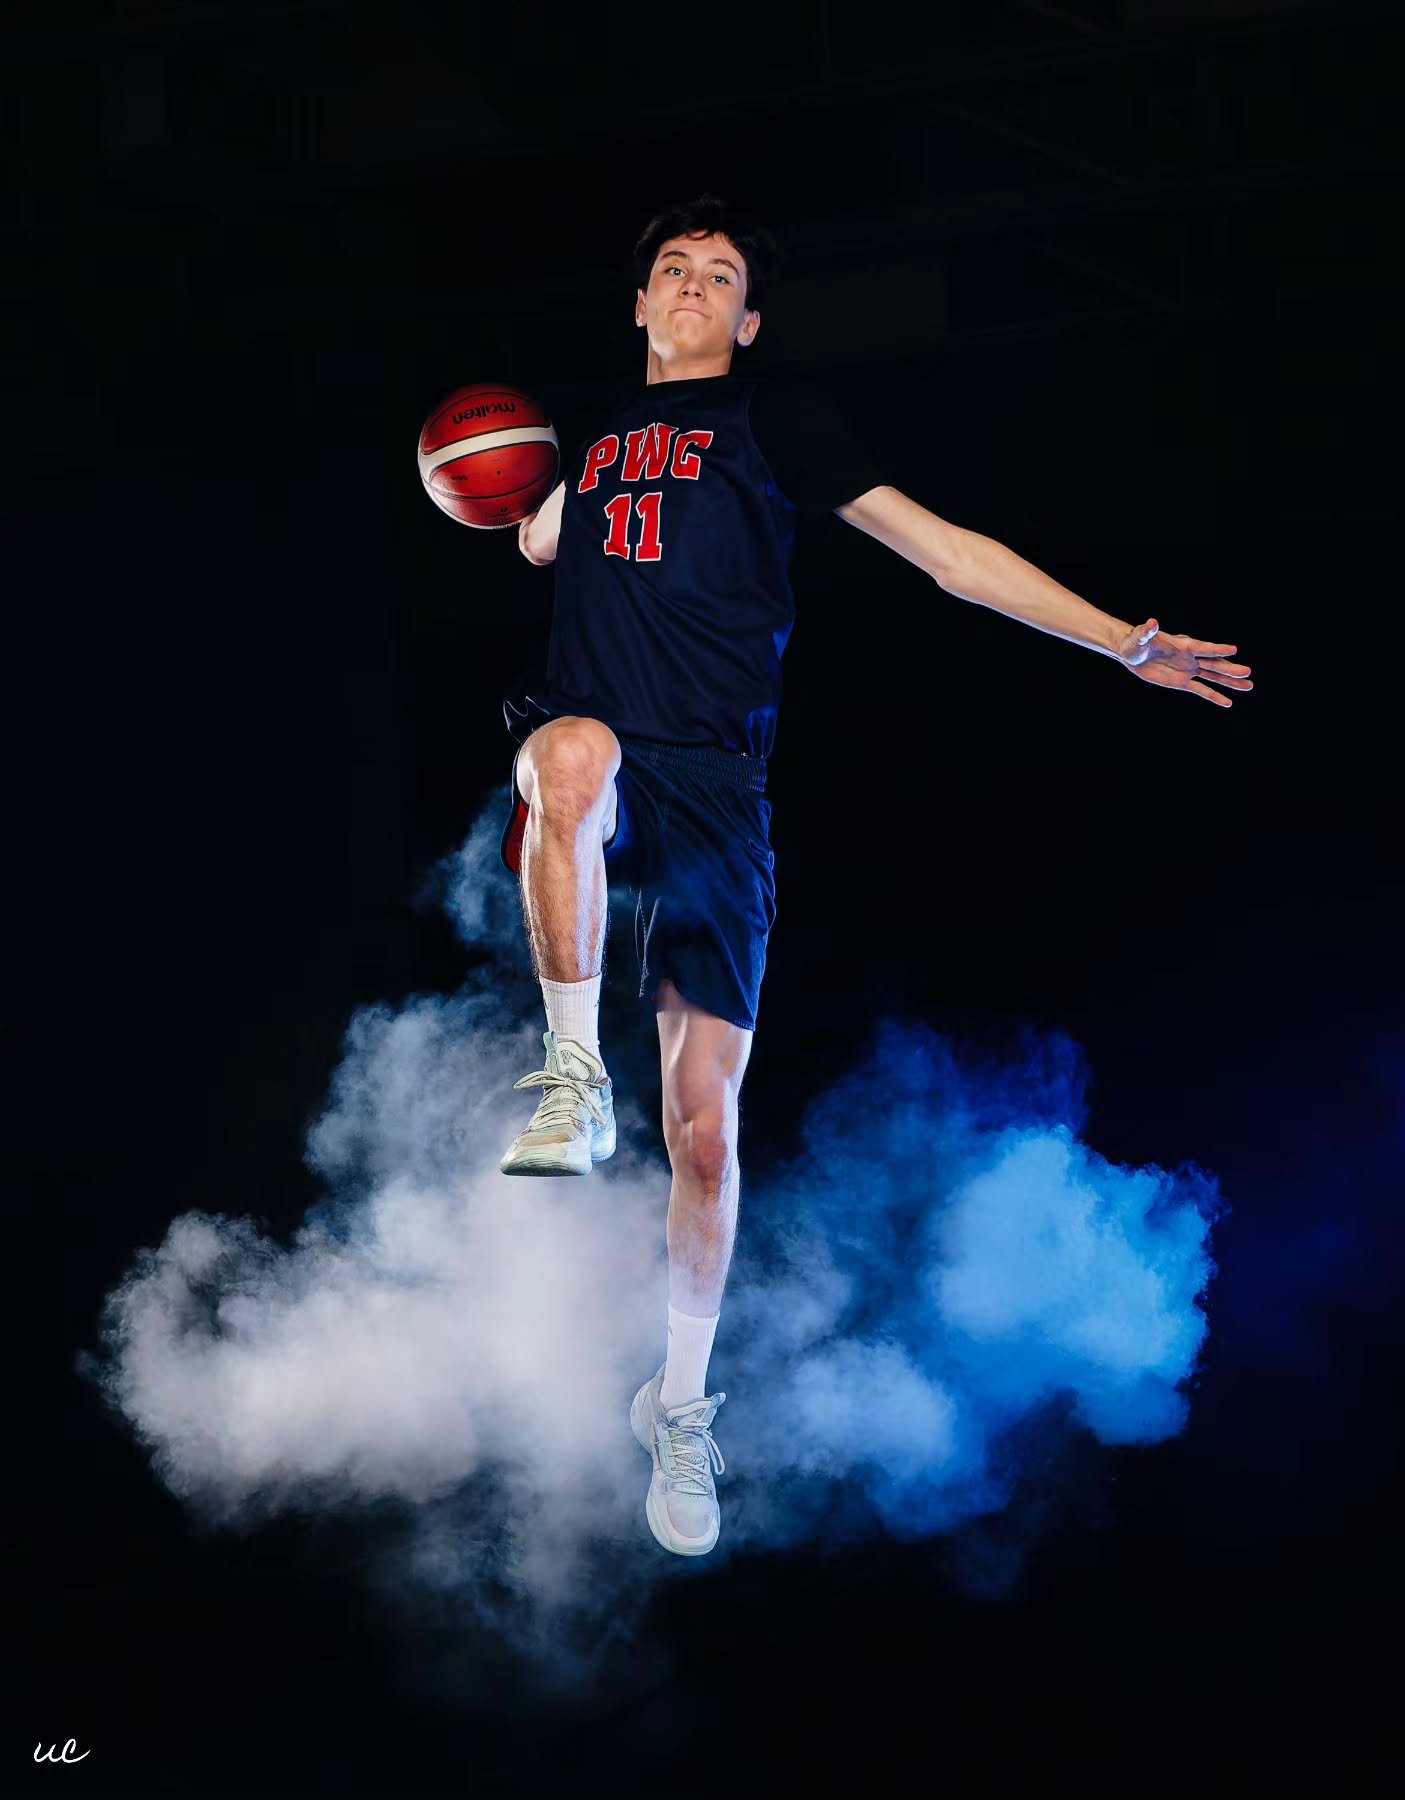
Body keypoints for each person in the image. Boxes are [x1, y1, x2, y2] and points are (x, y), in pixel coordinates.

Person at [495, 193, 1254, 1558]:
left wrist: (1119, 642)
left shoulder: (777, 422)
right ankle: (570, 1076)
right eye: (669, 269)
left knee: (709, 1137)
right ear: (637, 305)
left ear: (746, 317)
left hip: (722, 793)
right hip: (605, 762)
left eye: (716, 275)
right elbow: (536, 532)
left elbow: (951, 559)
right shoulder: (591, 431)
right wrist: (511, 502)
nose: (687, 286)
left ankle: (676, 1408)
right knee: (566, 753)